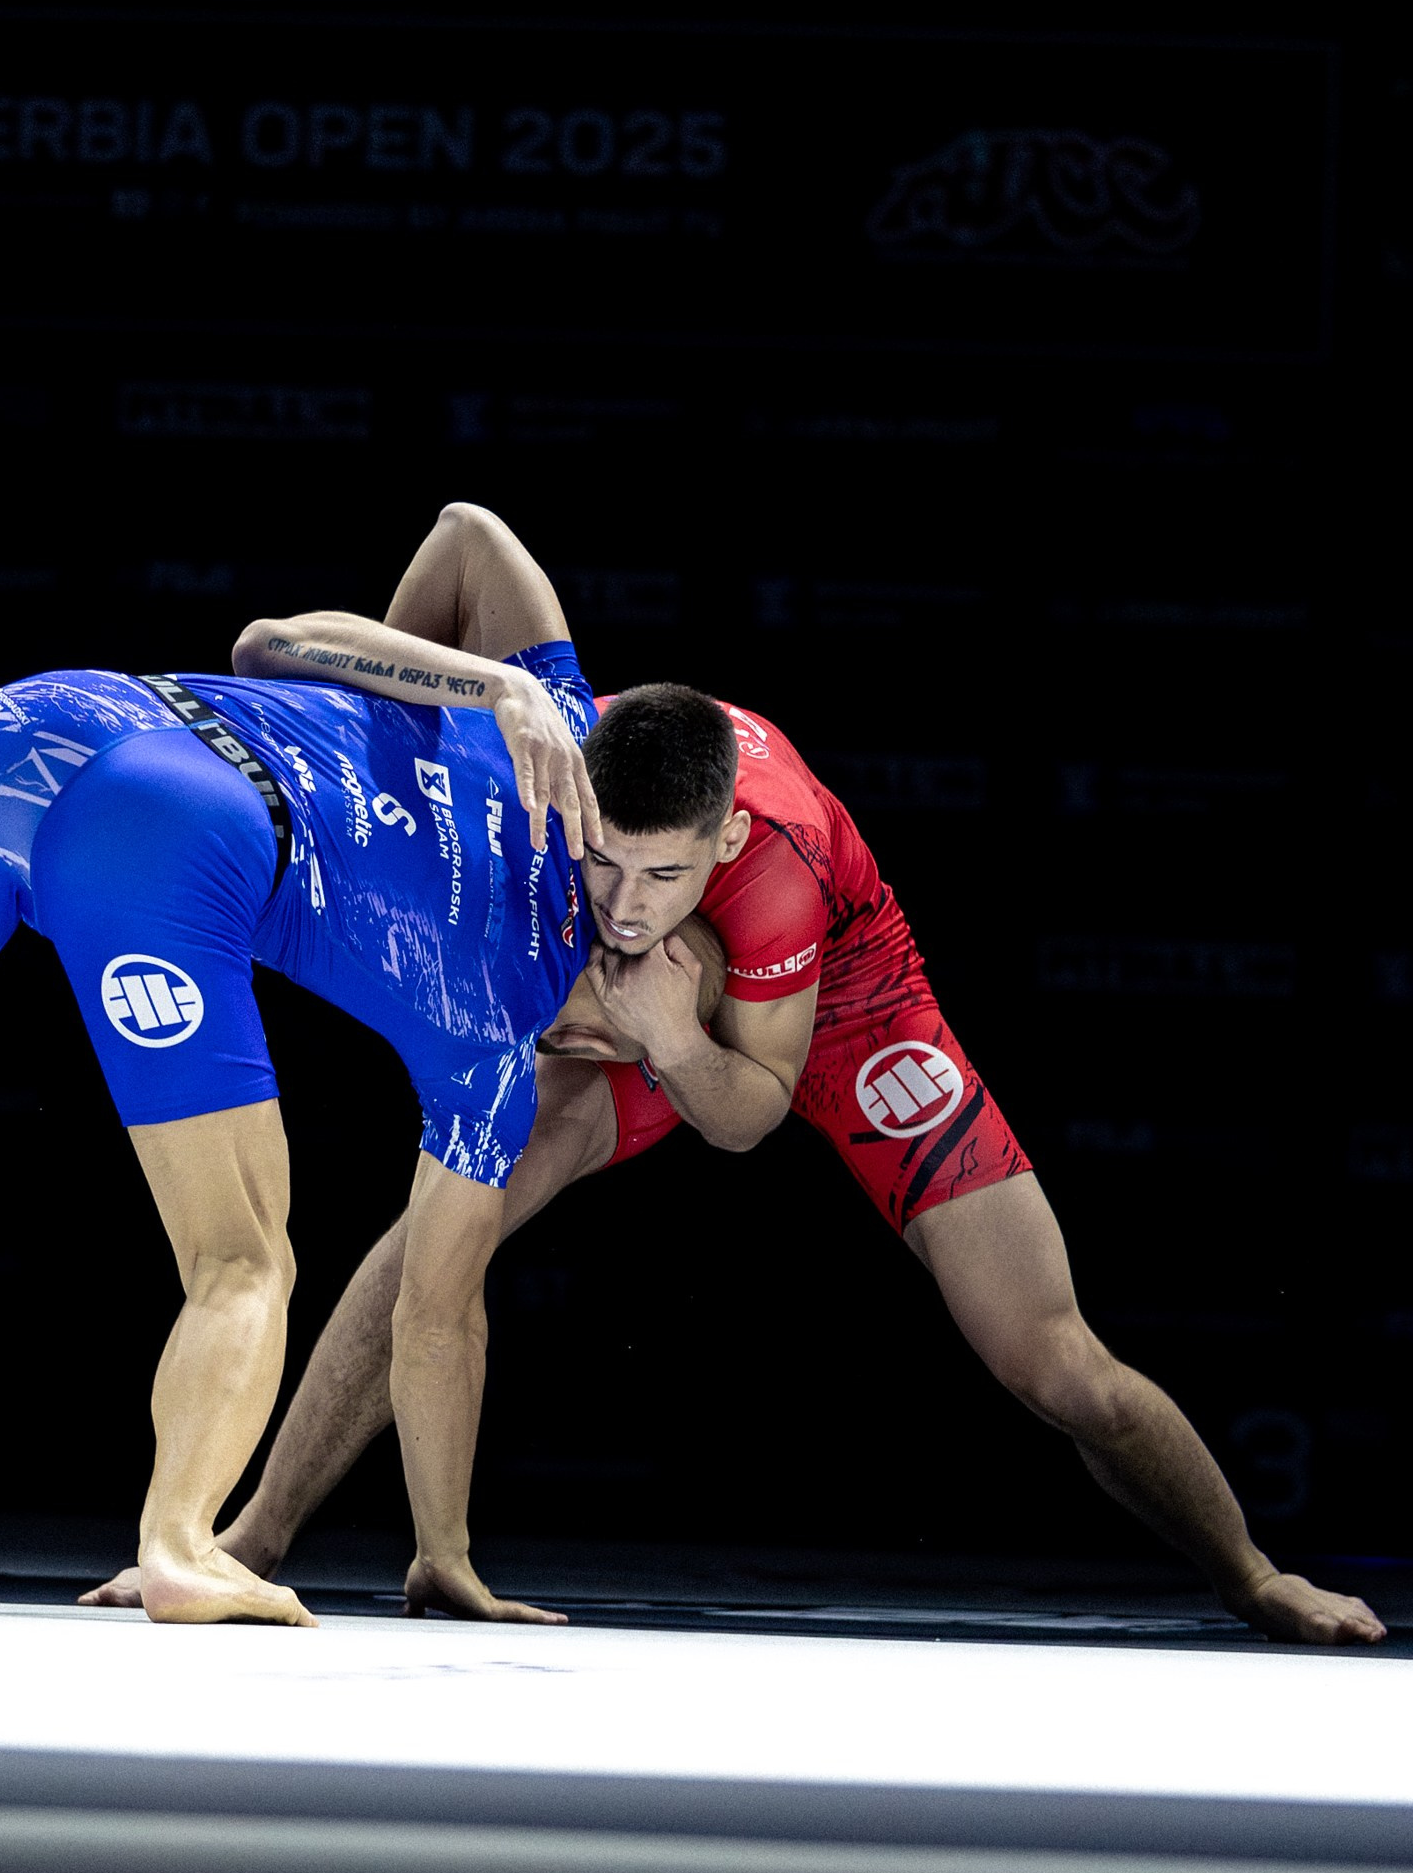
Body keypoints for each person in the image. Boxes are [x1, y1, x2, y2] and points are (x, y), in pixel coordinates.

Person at [202, 678, 1385, 1648]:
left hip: (840, 1014)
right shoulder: (551, 773)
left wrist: (669, 1035)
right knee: (441, 1232)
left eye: (660, 874)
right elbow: (456, 554)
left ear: (715, 840)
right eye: (602, 863)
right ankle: (254, 1537)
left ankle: (1247, 1571)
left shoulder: (771, 870)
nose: (623, 899)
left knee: (1052, 1361)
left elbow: (747, 1115)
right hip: (642, 1002)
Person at [0, 504, 606, 1626]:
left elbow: (424, 553)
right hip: (171, 831)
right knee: (242, 1263)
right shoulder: (497, 1036)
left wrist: (464, 695)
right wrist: (443, 1550)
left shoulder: (555, 715)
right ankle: (178, 1538)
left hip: (45, 718)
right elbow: (429, 1318)